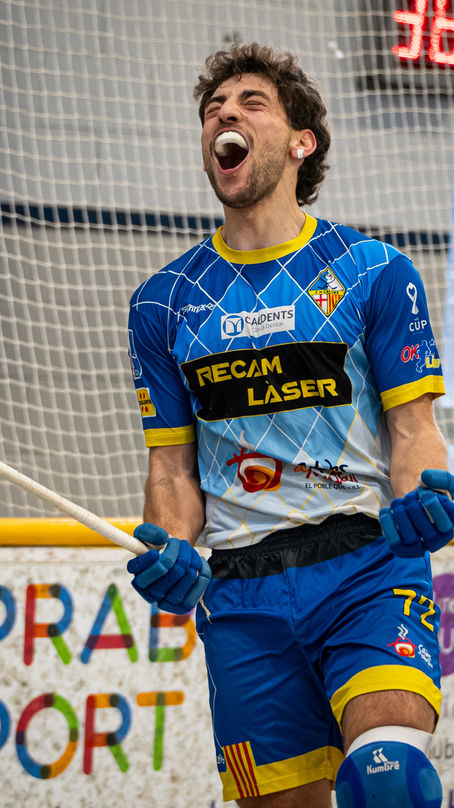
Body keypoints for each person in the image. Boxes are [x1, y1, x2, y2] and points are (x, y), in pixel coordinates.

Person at [126, 42, 454, 808]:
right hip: (241, 602)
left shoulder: (375, 270)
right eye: (213, 110)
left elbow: (413, 429)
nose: (224, 118)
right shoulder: (162, 302)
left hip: (368, 570)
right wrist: (171, 549)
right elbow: (172, 471)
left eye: (250, 104)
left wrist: (428, 494)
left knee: (391, 783)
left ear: (300, 142)